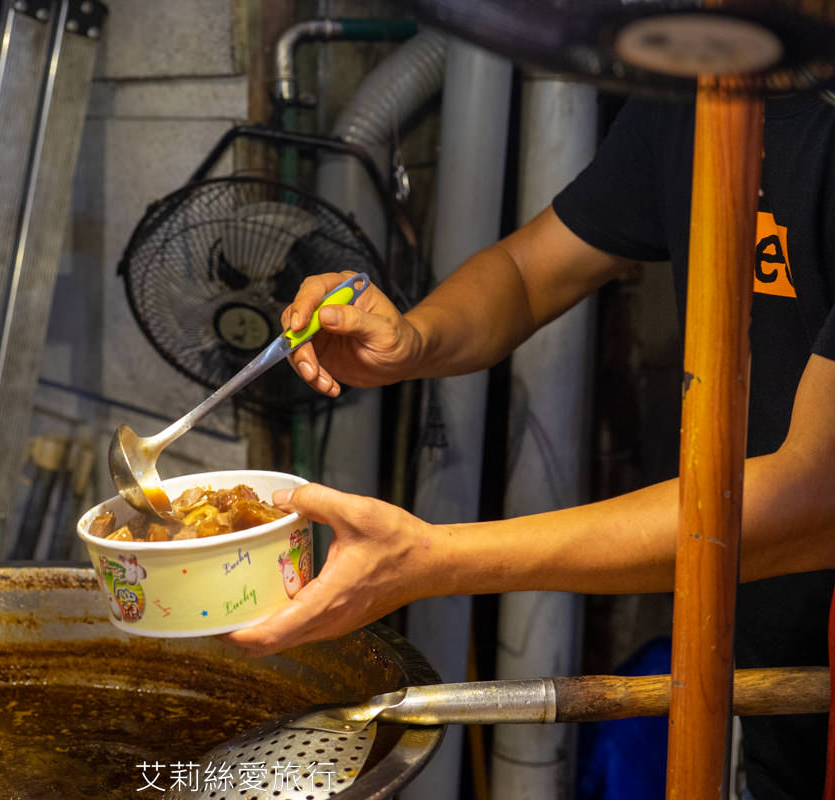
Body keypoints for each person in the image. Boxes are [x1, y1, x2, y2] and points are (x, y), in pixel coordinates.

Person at [226, 90, 835, 800]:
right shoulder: (693, 99)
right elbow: (524, 273)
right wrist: (413, 339)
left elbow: (813, 498)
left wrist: (434, 560)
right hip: (770, 650)